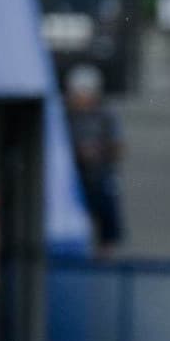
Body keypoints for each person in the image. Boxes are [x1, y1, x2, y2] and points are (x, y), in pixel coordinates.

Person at [64, 65, 123, 257]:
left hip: (99, 173)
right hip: (73, 175)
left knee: (106, 201)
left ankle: (106, 247)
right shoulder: (65, 115)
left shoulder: (106, 115)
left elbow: (118, 146)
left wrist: (97, 152)